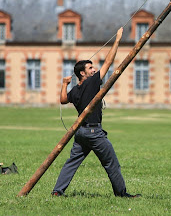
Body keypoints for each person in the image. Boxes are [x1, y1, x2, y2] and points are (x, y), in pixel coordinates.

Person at [52, 27, 141, 198]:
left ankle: (57, 191)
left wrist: (64, 84)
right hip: (94, 132)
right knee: (111, 163)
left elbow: (63, 100)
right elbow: (108, 63)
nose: (94, 70)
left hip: (80, 133)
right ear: (82, 74)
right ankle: (122, 194)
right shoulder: (90, 83)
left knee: (72, 163)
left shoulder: (76, 89)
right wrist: (117, 40)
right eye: (90, 68)